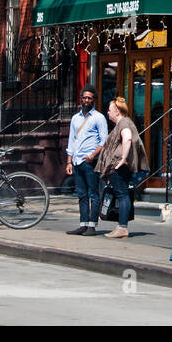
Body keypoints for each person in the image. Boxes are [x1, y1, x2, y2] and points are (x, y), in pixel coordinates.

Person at [96, 96, 147, 239]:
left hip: (119, 166)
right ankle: (121, 226)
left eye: (110, 110)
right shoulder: (122, 123)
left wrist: (123, 158)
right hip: (117, 165)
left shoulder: (124, 123)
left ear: (117, 111)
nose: (108, 113)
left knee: (123, 195)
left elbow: (127, 138)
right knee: (122, 194)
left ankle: (122, 228)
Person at [65, 84, 108, 236]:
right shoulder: (75, 118)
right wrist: (69, 161)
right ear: (81, 99)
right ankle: (83, 223)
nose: (86, 100)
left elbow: (103, 141)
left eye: (89, 98)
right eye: (84, 98)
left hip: (90, 161)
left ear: (93, 100)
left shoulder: (99, 118)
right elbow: (72, 140)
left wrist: (93, 155)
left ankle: (92, 225)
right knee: (81, 194)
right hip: (77, 161)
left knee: (93, 193)